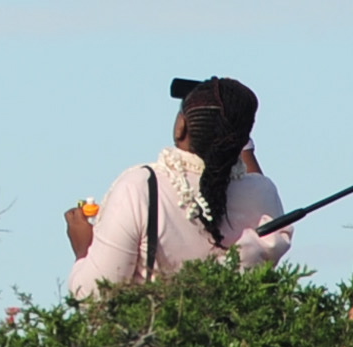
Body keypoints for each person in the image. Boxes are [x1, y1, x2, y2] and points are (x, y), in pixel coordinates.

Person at [64, 77, 291, 298]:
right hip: (234, 336)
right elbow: (247, 182)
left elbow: (94, 296)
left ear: (181, 127)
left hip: (156, 334)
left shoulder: (140, 188)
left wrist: (83, 249)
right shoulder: (263, 195)